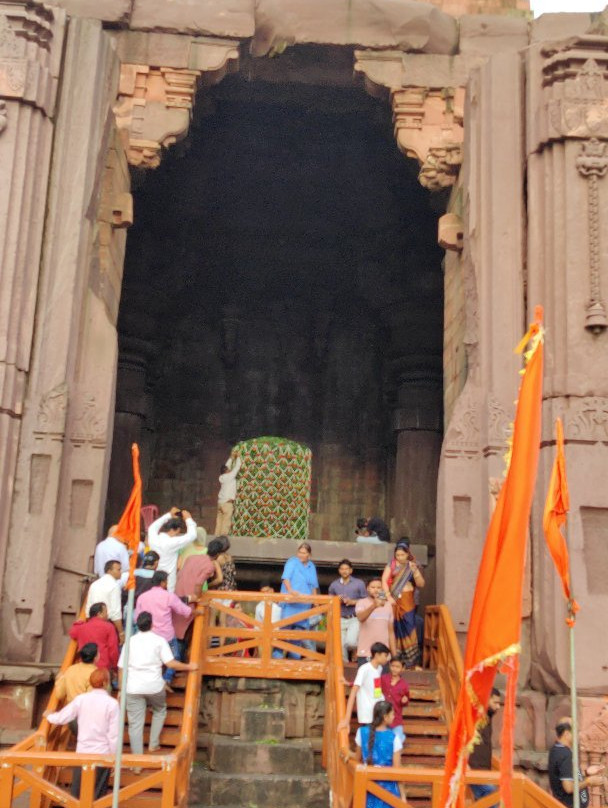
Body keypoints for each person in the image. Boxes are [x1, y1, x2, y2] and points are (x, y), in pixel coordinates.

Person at [118, 611, 197, 760]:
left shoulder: (130, 642)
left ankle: (137, 760)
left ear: (138, 625)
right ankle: (153, 744)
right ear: (152, 624)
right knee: (160, 710)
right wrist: (189, 667)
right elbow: (170, 663)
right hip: (154, 686)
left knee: (135, 725)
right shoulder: (159, 641)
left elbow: (121, 668)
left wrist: (121, 689)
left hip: (133, 687)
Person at [45, 668, 118, 800]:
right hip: (103, 752)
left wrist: (49, 716)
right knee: (98, 794)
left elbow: (62, 718)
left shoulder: (81, 699)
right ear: (106, 683)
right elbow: (113, 735)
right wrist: (113, 757)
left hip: (82, 751)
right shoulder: (112, 704)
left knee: (77, 792)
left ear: (90, 682)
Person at [135, 570, 194, 685]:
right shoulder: (168, 596)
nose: (166, 584)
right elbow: (185, 611)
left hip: (148, 636)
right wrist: (196, 611)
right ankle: (167, 678)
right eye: (166, 581)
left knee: (150, 660)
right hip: (166, 637)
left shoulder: (142, 597)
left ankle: (151, 680)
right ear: (162, 583)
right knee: (175, 657)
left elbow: (136, 618)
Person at [381, 541, 424, 668]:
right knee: (395, 627)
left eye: (402, 555)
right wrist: (388, 596)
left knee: (409, 627)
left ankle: (412, 661)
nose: (399, 557)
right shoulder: (392, 564)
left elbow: (421, 584)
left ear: (407, 554)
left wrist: (415, 571)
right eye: (397, 555)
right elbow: (384, 580)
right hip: (393, 599)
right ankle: (397, 660)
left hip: (407, 601)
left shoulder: (412, 566)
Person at [354, 700, 404, 808]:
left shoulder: (361, 732)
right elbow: (397, 771)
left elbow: (357, 759)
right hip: (388, 791)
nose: (394, 716)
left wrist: (348, 754)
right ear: (385, 717)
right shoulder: (394, 738)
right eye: (392, 714)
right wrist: (403, 796)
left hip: (366, 788)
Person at [548, 718, 604, 808]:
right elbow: (568, 788)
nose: (578, 735)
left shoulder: (556, 749)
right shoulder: (565, 754)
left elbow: (567, 775)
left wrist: (586, 773)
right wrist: (589, 782)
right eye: (576, 731)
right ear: (566, 734)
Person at [173, 547, 222, 645]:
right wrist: (198, 598)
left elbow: (180, 573)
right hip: (192, 596)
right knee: (188, 629)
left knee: (176, 624)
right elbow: (199, 583)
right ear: (217, 555)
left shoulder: (191, 557)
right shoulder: (209, 565)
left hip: (179, 592)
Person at [338, 642, 390, 731]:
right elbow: (354, 691)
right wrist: (347, 719)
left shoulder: (379, 669)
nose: (387, 659)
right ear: (377, 655)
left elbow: (374, 688)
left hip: (378, 713)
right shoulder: (364, 669)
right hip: (368, 715)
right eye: (385, 655)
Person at [280, 542, 319, 660]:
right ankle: (277, 658)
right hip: (290, 603)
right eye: (299, 552)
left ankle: (294, 659)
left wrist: (315, 601)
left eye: (304, 553)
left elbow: (313, 585)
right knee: (284, 631)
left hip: (304, 605)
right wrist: (290, 590)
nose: (301, 555)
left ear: (309, 555)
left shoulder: (312, 566)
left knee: (298, 634)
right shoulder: (292, 561)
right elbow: (285, 578)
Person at [148, 507, 197, 591]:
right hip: (168, 581)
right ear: (177, 530)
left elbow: (152, 527)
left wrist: (168, 515)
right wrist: (188, 519)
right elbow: (192, 535)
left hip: (154, 576)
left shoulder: (153, 538)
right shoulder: (172, 543)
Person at [328, 559, 367, 662]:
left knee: (350, 642)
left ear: (351, 570)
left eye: (347, 569)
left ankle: (357, 651)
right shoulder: (334, 585)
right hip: (339, 618)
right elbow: (330, 600)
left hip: (354, 617)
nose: (344, 571)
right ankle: (344, 669)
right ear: (339, 571)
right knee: (340, 647)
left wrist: (353, 602)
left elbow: (366, 600)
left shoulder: (359, 583)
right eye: (342, 569)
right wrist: (337, 599)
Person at [468, 688, 501, 805]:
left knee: (483, 802)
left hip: (483, 770)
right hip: (474, 769)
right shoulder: (476, 715)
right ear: (487, 700)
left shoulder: (488, 717)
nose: (498, 707)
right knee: (493, 798)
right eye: (495, 702)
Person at [355, 579, 396, 667]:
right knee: (366, 680)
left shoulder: (388, 605)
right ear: (367, 589)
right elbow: (360, 617)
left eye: (379, 587)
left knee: (382, 680)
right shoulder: (361, 603)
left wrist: (394, 656)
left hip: (384, 654)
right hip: (366, 652)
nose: (376, 590)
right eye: (373, 587)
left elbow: (391, 632)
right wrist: (374, 606)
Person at [69, 603, 119, 674]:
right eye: (106, 612)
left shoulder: (81, 627)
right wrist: (115, 667)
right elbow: (113, 650)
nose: (108, 615)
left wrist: (79, 622)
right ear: (99, 614)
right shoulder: (109, 627)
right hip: (102, 668)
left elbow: (72, 633)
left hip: (84, 666)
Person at [85, 559, 124, 641]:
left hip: (91, 623)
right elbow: (115, 613)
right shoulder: (114, 586)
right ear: (110, 570)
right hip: (107, 624)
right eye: (118, 569)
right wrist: (121, 632)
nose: (121, 572)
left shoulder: (94, 584)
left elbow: (88, 608)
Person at [52, 643, 99, 709]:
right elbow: (92, 700)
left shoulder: (70, 669)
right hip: (85, 713)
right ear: (95, 657)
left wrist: (59, 680)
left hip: (70, 711)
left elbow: (59, 694)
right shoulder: (96, 673)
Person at [380, 656, 410, 744]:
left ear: (403, 668)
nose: (394, 669)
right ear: (389, 665)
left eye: (398, 667)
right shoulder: (383, 678)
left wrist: (404, 701)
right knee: (384, 741)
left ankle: (401, 738)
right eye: (393, 666)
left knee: (397, 741)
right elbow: (375, 689)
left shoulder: (404, 685)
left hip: (396, 718)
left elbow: (406, 700)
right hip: (383, 717)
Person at [215, 455, 242, 536]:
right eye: (228, 469)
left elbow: (227, 466)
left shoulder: (222, 477)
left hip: (220, 503)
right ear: (226, 471)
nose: (230, 469)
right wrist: (238, 457)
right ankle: (223, 537)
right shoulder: (230, 476)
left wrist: (231, 458)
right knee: (226, 521)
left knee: (219, 521)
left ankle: (216, 536)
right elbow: (237, 467)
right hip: (227, 503)